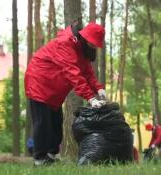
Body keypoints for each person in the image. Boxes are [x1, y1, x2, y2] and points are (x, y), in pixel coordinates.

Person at [24, 21, 106, 166]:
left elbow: (87, 72)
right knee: (43, 123)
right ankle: (39, 159)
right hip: (39, 82)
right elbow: (73, 74)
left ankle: (50, 156)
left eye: (96, 45)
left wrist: (98, 88)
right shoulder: (65, 44)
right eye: (92, 44)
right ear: (85, 38)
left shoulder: (81, 49)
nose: (94, 47)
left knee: (56, 122)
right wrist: (91, 98)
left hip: (53, 87)